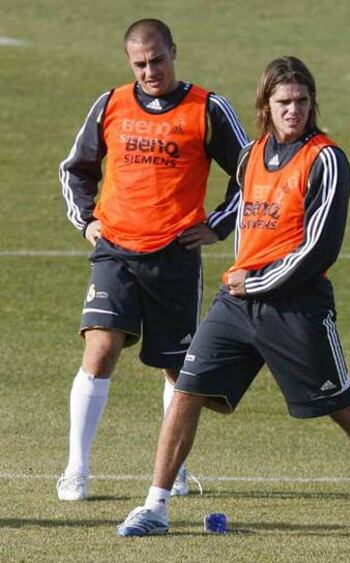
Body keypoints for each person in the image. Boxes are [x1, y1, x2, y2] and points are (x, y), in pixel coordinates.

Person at [116, 56, 350, 539]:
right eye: (283, 102)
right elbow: (241, 205)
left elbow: (319, 248)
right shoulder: (252, 154)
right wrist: (216, 234)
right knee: (187, 390)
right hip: (236, 305)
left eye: (301, 101)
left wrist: (254, 281)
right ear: (266, 105)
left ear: (312, 103)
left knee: (342, 406)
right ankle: (155, 506)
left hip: (296, 306)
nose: (293, 109)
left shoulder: (327, 159)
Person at [57, 18, 248, 501]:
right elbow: (76, 168)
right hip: (115, 250)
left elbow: (251, 173)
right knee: (99, 351)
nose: (149, 71)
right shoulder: (111, 104)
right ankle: (76, 468)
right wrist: (86, 220)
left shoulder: (208, 107)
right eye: (140, 63)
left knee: (179, 370)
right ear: (129, 63)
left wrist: (218, 224)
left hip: (175, 258)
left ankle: (173, 468)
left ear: (173, 52)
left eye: (157, 59)